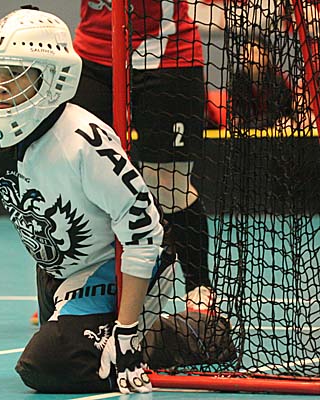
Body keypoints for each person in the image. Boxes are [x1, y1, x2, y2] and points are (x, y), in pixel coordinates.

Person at [0, 6, 176, 394]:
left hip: (112, 270)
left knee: (46, 365)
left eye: (11, 73)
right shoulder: (3, 129)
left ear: (51, 77)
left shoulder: (85, 142)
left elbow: (144, 233)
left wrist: (127, 332)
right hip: (60, 272)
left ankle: (167, 339)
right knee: (55, 351)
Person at [71, 0, 216, 312]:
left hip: (168, 55)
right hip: (95, 58)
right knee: (80, 178)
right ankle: (73, 285)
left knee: (167, 183)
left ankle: (199, 287)